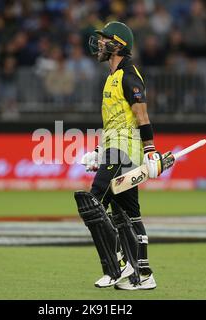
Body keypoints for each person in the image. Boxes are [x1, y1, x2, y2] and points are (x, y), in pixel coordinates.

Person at [74, 21, 175, 290]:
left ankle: (117, 266)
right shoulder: (112, 77)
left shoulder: (129, 75)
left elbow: (142, 116)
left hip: (124, 150)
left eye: (105, 39)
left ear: (118, 45)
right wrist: (98, 151)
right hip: (115, 148)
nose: (99, 43)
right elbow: (116, 121)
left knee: (92, 203)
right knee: (127, 214)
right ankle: (143, 274)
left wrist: (151, 151)